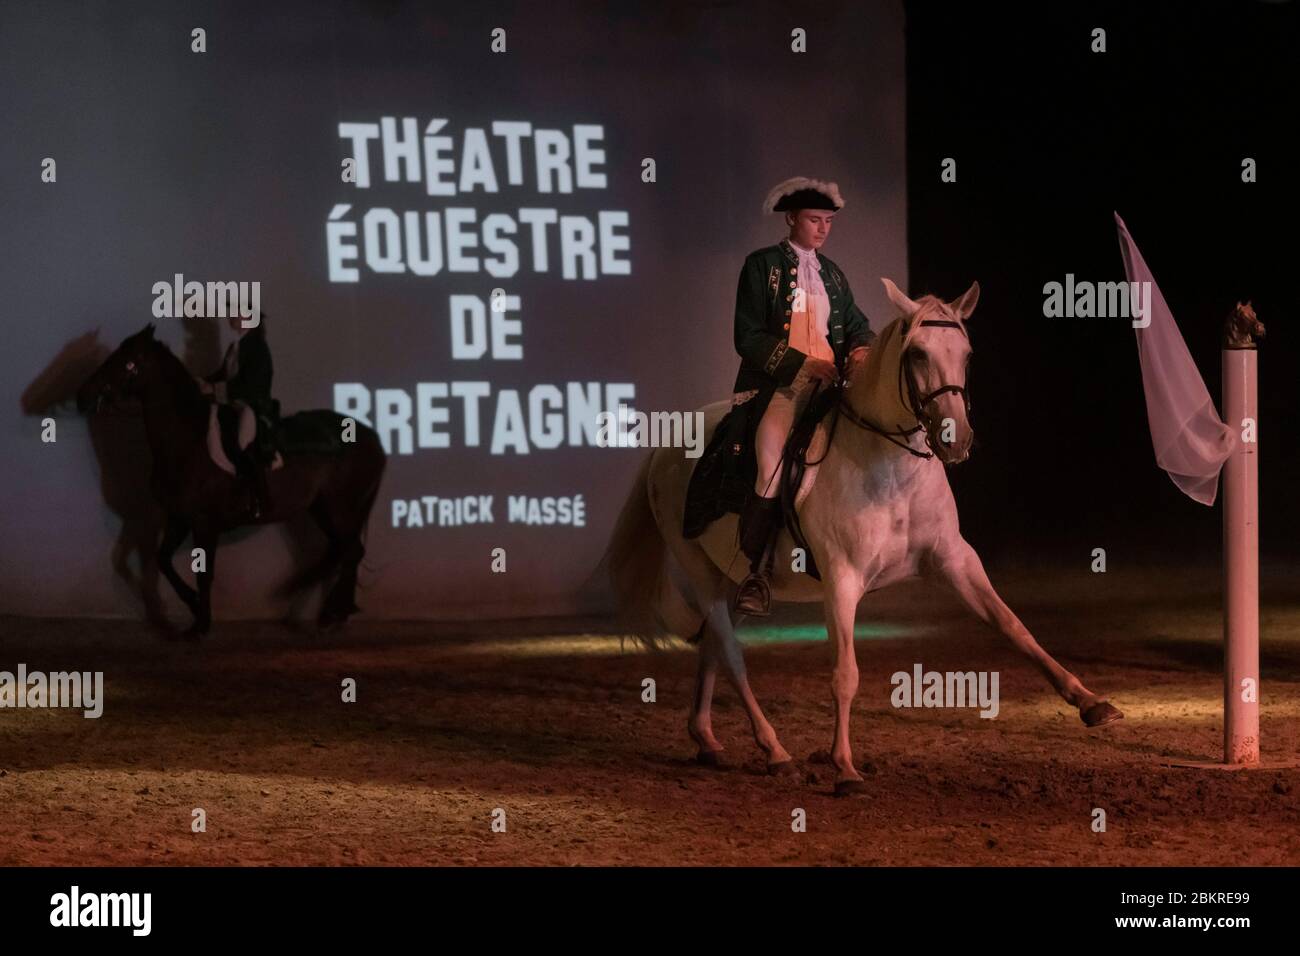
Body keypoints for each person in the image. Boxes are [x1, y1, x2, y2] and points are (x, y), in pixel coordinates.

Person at [731, 177, 876, 615]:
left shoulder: (833, 274)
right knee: (772, 468)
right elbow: (747, 336)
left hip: (829, 390)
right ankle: (754, 574)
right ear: (792, 218)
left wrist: (862, 347)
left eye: (828, 221)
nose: (823, 228)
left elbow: (856, 325)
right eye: (815, 220)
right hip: (782, 389)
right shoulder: (761, 266)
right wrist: (800, 364)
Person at [200, 310, 277, 518]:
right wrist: (200, 382)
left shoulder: (257, 347)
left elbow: (251, 385)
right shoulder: (236, 346)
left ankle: (260, 498)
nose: (232, 317)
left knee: (239, 444)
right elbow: (221, 374)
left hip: (253, 406)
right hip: (233, 404)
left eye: (237, 314)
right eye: (232, 314)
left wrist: (214, 389)